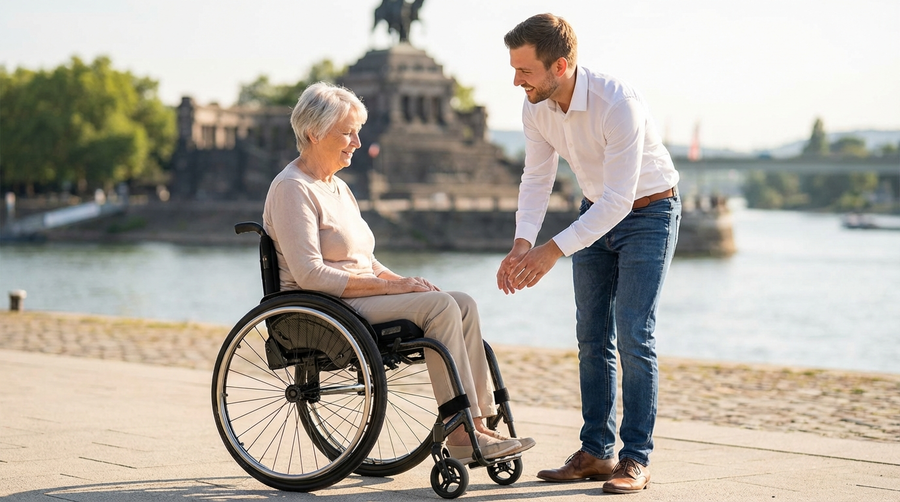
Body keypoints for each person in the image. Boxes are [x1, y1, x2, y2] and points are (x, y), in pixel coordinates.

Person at [263, 81, 534, 464]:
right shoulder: (292, 188)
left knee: (463, 303)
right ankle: (459, 432)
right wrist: (390, 290)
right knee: (440, 308)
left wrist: (403, 282)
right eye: (347, 132)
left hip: (358, 299)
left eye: (357, 132)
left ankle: (479, 420)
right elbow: (311, 276)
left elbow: (367, 262)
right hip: (326, 308)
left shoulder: (338, 188)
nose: (357, 141)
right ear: (313, 132)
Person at [497, 14, 681, 494]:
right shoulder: (535, 106)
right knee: (591, 337)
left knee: (634, 334)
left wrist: (551, 251)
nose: (516, 80)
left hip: (649, 212)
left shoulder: (616, 102)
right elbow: (537, 178)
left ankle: (635, 459)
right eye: (514, 69)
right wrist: (522, 244)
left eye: (525, 71)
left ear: (560, 65)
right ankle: (596, 452)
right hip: (595, 212)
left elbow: (621, 201)